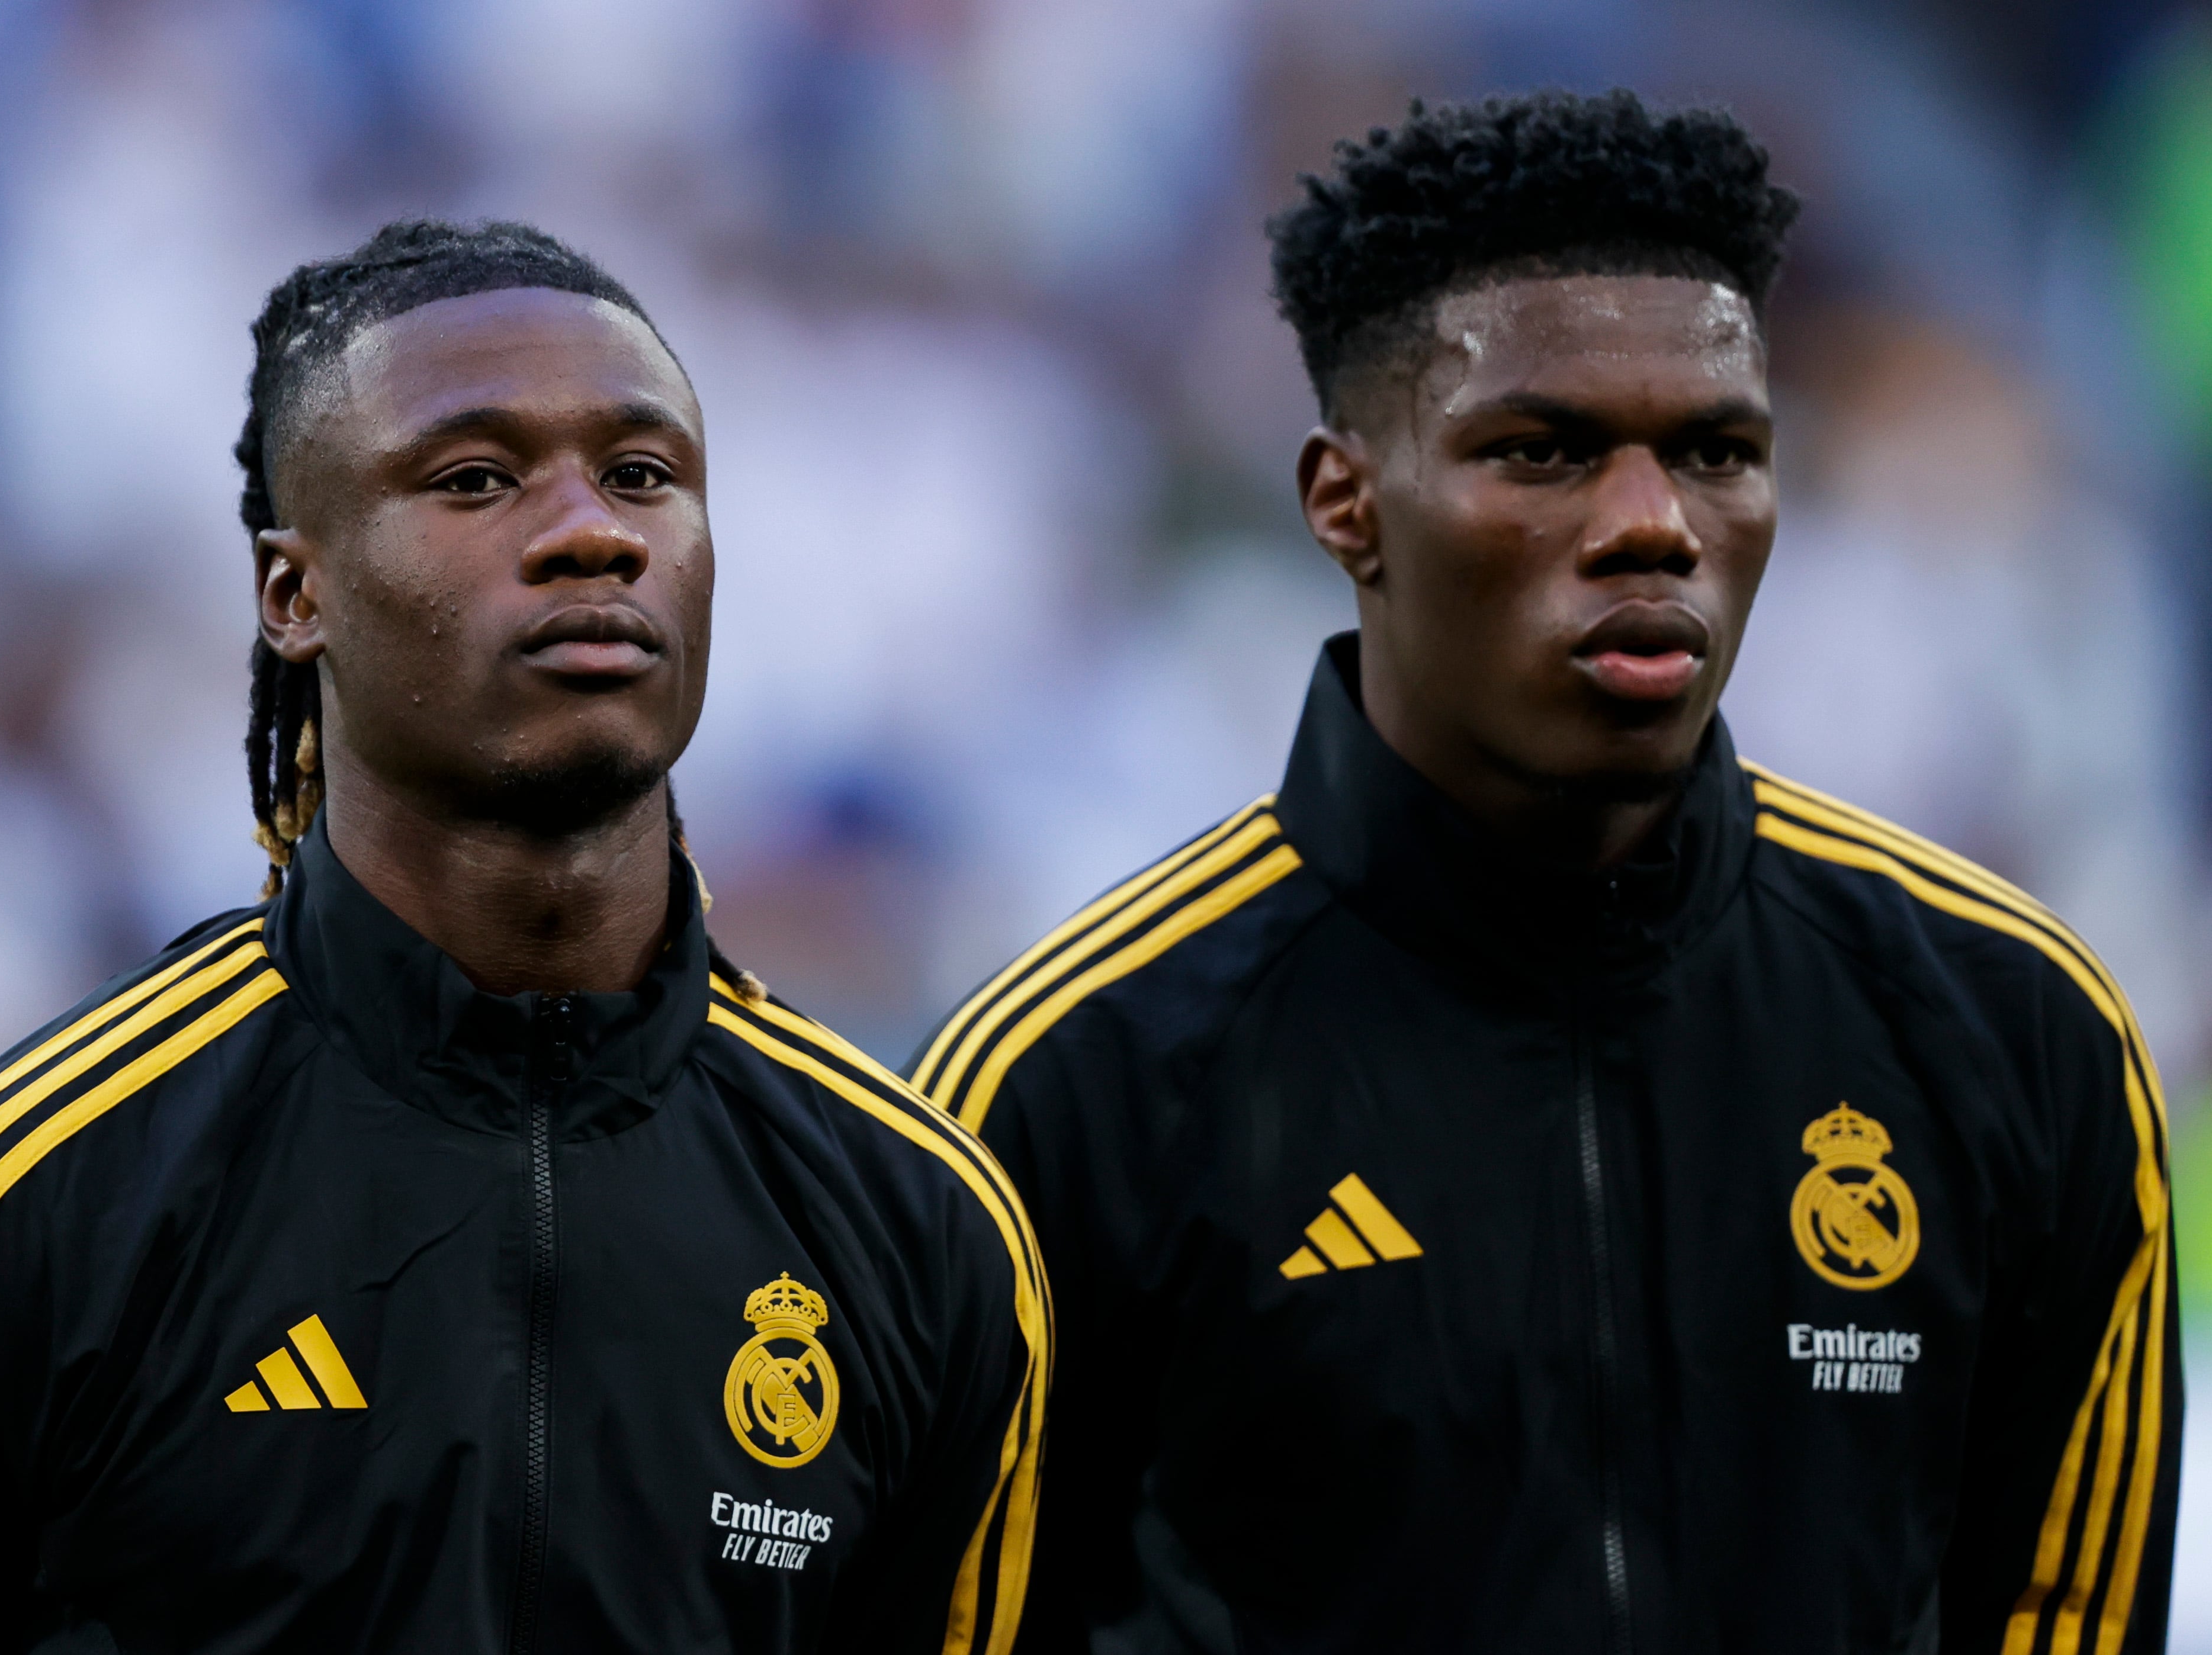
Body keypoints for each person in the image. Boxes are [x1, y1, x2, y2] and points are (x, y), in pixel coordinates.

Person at [912, 91, 2179, 1653]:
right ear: (1344, 501)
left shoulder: (2017, 1029)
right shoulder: (1066, 1082)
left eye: (1719, 450)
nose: (1652, 522)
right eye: (1543, 450)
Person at [0, 219, 1046, 1654]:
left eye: (644, 475)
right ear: (296, 597)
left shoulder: (924, 1228)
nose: (592, 530)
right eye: (477, 479)